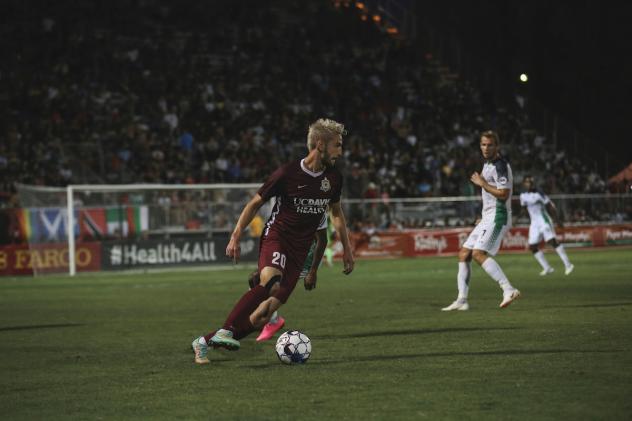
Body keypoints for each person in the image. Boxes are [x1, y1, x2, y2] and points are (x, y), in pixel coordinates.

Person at [192, 118, 355, 364]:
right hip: (277, 237)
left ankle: (204, 342)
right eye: (337, 145)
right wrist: (236, 234)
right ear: (320, 144)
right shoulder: (287, 173)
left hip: (300, 252)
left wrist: (347, 249)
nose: (340, 152)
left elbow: (336, 213)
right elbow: (255, 203)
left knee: (263, 315)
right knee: (272, 282)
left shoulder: (333, 179)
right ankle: (226, 329)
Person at [442, 130, 520, 311]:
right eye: (483, 144)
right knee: (464, 254)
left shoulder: (501, 166)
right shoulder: (487, 164)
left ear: (497, 146)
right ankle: (462, 300)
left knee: (478, 254)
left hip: (499, 216)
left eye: (490, 145)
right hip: (488, 217)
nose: (486, 148)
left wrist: (483, 183)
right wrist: (484, 216)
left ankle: (508, 289)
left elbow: (504, 193)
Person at [249, 214, 329, 342]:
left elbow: (322, 239)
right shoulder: (289, 203)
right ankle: (269, 319)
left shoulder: (316, 207)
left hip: (303, 258)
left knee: (275, 286)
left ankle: (271, 320)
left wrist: (313, 271)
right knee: (255, 279)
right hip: (287, 251)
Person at [519, 176, 574, 275]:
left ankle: (568, 265)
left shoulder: (539, 193)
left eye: (529, 182)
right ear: (523, 183)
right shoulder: (523, 195)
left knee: (551, 241)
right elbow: (523, 208)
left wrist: (557, 220)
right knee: (532, 247)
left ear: (532, 183)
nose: (528, 184)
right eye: (526, 182)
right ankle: (547, 268)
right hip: (534, 223)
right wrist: (518, 218)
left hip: (544, 220)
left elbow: (550, 206)